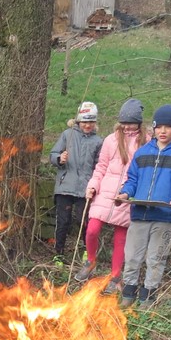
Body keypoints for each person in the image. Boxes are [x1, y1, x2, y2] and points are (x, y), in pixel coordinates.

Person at [116, 104, 171, 308]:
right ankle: (128, 294)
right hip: (140, 214)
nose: (163, 131)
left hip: (166, 217)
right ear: (153, 128)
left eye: (168, 127)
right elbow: (132, 179)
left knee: (156, 258)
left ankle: (148, 296)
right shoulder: (142, 152)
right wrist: (125, 193)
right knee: (132, 256)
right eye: (159, 127)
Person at [83, 98, 150, 294]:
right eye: (124, 122)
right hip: (105, 193)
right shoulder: (110, 140)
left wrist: (133, 193)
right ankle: (90, 261)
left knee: (120, 239)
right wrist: (93, 185)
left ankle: (115, 276)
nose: (127, 127)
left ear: (139, 123)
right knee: (92, 229)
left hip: (127, 196)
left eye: (131, 123)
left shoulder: (146, 142)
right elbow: (101, 166)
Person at [50, 101, 102, 265]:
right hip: (65, 186)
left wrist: (95, 184)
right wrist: (60, 158)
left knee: (84, 221)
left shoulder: (98, 141)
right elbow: (53, 154)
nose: (87, 125)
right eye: (85, 121)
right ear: (78, 121)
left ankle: (87, 251)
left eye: (91, 121)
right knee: (63, 221)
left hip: (84, 188)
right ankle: (58, 253)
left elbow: (99, 165)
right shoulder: (68, 135)